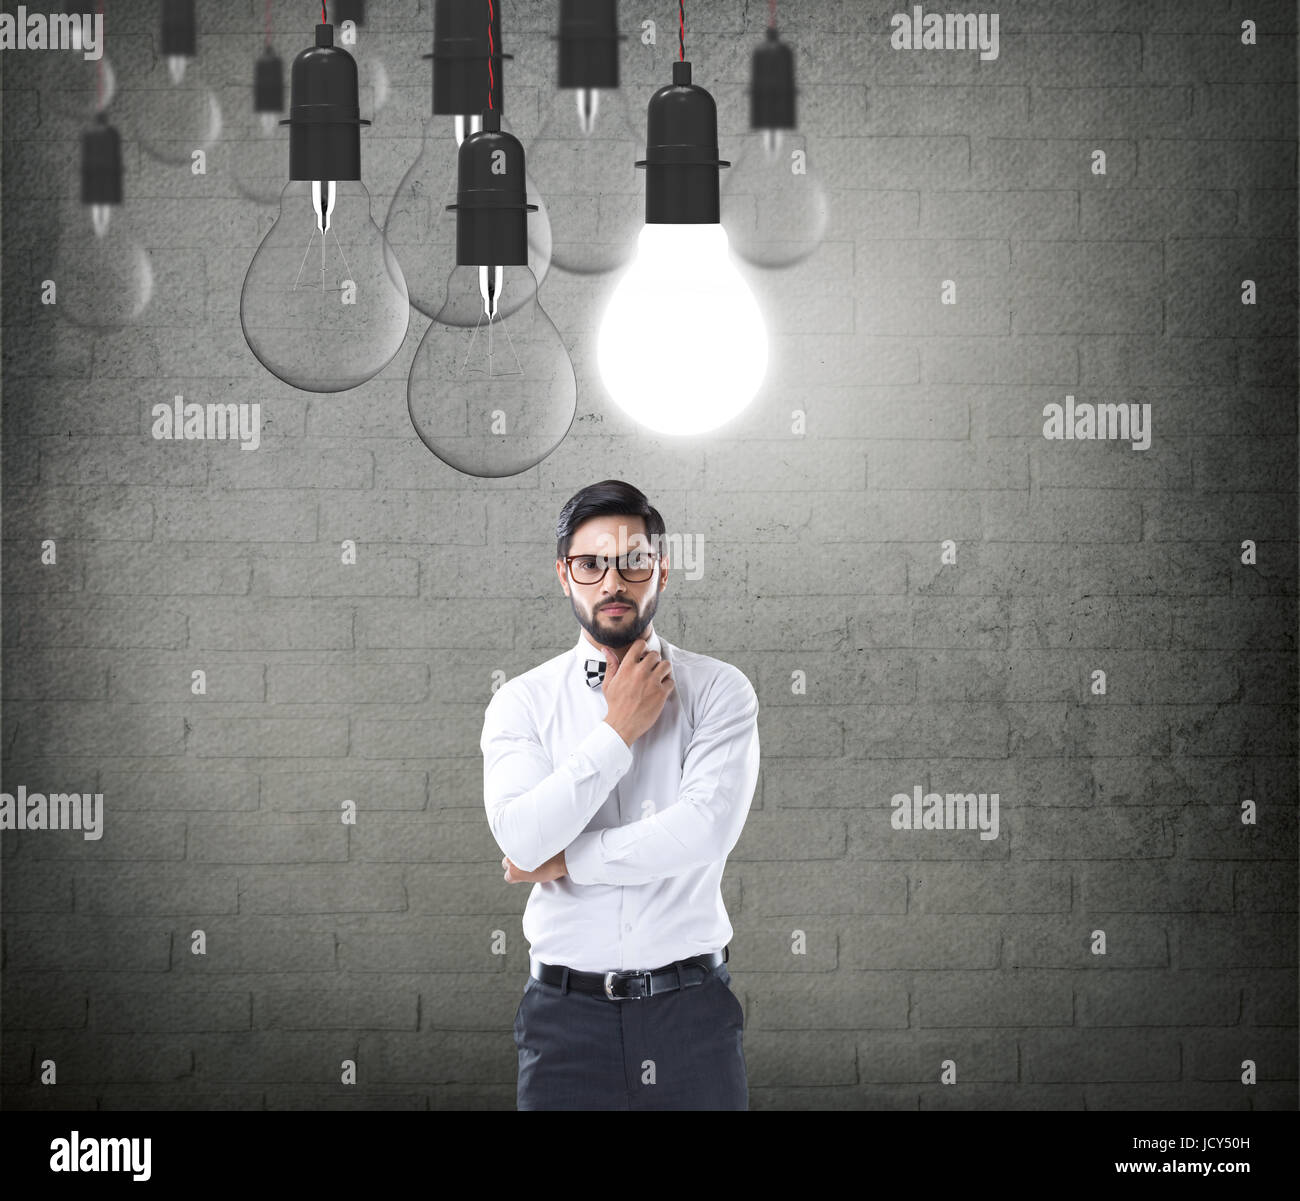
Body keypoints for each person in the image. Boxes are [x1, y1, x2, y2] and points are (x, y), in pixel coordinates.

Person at [480, 479, 760, 1110]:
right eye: (590, 563)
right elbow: (521, 838)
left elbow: (703, 831)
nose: (613, 582)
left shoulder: (719, 690)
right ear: (564, 575)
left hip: (692, 1014)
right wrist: (618, 729)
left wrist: (568, 860)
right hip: (563, 1022)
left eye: (633, 561)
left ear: (660, 570)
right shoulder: (522, 702)